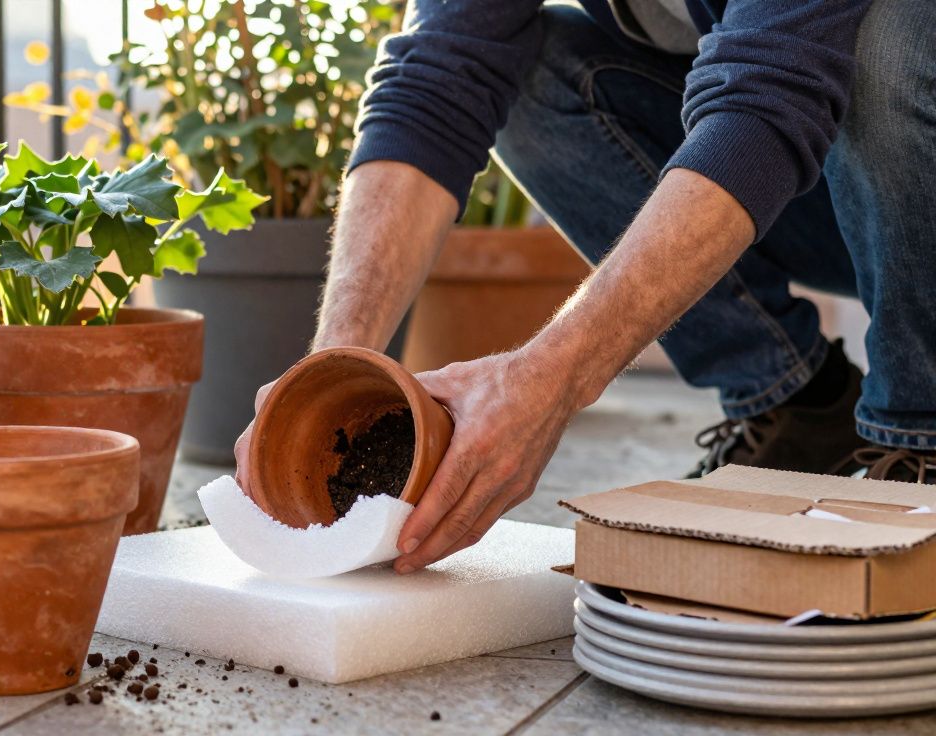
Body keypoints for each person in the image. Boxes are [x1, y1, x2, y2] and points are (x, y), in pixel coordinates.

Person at [233, 0, 936, 574]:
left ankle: (920, 439)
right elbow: (434, 84)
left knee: (892, 32)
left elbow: (769, 99)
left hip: (893, 151)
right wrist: (332, 369)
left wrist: (553, 378)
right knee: (539, 70)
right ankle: (800, 411)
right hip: (824, 187)